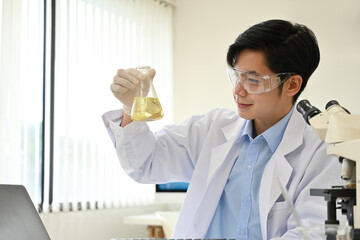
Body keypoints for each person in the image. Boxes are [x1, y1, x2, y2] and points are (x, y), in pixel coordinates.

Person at [102, 19, 343, 239]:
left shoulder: (321, 153)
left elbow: (311, 233)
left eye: (253, 80)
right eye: (236, 76)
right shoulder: (213, 129)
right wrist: (130, 109)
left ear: (291, 84)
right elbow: (146, 164)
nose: (238, 91)